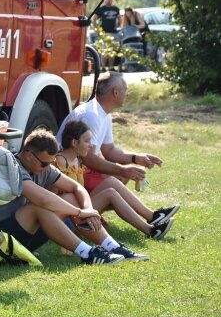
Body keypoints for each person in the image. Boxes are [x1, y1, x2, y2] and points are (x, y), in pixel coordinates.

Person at [0, 130, 149, 265]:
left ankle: (113, 246)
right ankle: (88, 253)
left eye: (50, 163)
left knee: (72, 197)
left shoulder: (43, 166)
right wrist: (80, 212)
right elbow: (43, 200)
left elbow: (76, 187)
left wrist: (87, 209)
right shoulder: (11, 168)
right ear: (28, 154)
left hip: (19, 236)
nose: (47, 167)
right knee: (39, 207)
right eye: (44, 163)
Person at [56, 71, 179, 230]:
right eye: (126, 89)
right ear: (115, 92)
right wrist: (122, 169)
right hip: (69, 172)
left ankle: (151, 217)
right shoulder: (92, 115)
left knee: (119, 175)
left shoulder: (102, 114)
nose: (127, 93)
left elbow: (109, 150)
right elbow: (89, 159)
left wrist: (136, 158)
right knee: (114, 178)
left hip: (78, 170)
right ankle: (152, 217)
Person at [56, 120, 173, 239]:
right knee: (110, 194)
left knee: (110, 182)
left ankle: (153, 217)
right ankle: (151, 230)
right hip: (69, 216)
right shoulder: (60, 161)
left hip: (80, 208)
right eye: (87, 141)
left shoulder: (77, 159)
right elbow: (59, 196)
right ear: (74, 143)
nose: (91, 145)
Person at [93, 0, 121, 69]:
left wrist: (118, 24)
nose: (109, 0)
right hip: (104, 32)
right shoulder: (101, 9)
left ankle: (111, 67)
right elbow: (94, 19)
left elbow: (119, 18)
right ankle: (103, 67)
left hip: (113, 32)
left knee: (112, 50)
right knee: (104, 50)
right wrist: (97, 29)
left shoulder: (115, 9)